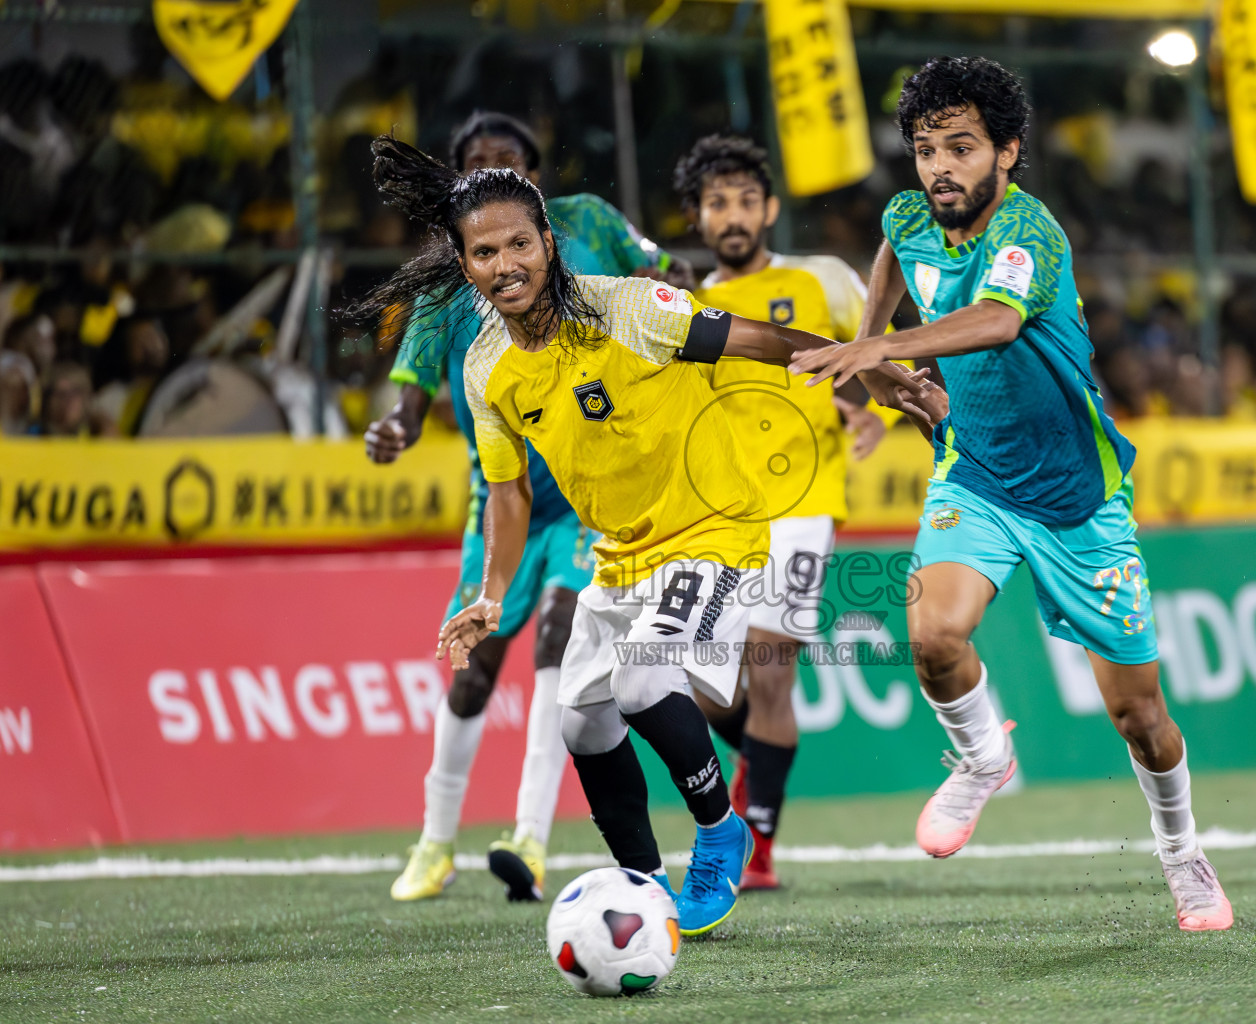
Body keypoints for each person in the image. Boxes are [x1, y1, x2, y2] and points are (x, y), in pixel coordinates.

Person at [356, 137, 940, 935]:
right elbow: (508, 490)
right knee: (580, 718)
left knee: (640, 685)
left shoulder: (627, 308)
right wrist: (491, 594)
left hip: (713, 530)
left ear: (548, 241)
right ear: (465, 266)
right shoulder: (485, 366)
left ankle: (719, 830)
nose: (506, 264)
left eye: (519, 243)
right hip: (621, 553)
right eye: (484, 252)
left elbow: (758, 341)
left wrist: (863, 365)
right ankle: (641, 884)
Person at [789, 57, 1233, 932]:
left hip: (1078, 502)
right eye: (925, 149)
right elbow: (890, 252)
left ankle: (1183, 854)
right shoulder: (909, 214)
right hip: (978, 475)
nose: (940, 168)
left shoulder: (1031, 232)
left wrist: (886, 348)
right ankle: (983, 755)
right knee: (930, 633)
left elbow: (995, 321)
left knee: (1139, 716)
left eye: (961, 147)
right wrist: (873, 344)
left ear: (1008, 151)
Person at [368, 112, 681, 904]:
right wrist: (396, 429)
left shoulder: (590, 227)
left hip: (587, 495)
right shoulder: (446, 278)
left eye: (508, 164)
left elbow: (675, 280)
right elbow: (409, 388)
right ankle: (435, 844)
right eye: (476, 165)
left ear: (535, 182)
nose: (493, 174)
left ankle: (530, 840)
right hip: (500, 500)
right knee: (470, 670)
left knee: (558, 642)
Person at [671, 134, 888, 890]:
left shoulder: (817, 280)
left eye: (744, 200)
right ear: (697, 217)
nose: (732, 215)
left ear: (768, 208)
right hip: (719, 513)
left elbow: (877, 352)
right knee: (691, 680)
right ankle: (756, 758)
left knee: (770, 673)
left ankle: (756, 845)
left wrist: (875, 415)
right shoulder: (685, 303)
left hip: (804, 499)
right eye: (716, 203)